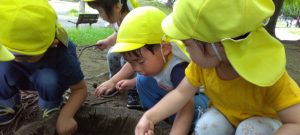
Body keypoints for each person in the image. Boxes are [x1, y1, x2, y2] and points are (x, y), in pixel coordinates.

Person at [135, 0, 300, 135]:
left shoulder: (267, 73)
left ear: (217, 45)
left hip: (264, 123)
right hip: (226, 117)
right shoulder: (203, 66)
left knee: (249, 131)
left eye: (188, 46)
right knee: (207, 127)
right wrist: (150, 117)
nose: (187, 52)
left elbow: (296, 122)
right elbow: (180, 93)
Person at [99, 6, 208, 134]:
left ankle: (185, 126)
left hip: (194, 98)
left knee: (195, 112)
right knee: (142, 81)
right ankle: (160, 117)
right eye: (131, 62)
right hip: (170, 90)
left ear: (165, 49)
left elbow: (186, 105)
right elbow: (136, 63)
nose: (136, 68)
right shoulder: (155, 57)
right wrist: (125, 82)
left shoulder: (178, 68)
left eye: (140, 62)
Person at [0, 0, 87, 135]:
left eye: (26, 56)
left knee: (47, 77)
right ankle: (7, 103)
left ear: (52, 42)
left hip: (46, 81)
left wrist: (66, 116)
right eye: (11, 52)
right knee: (2, 65)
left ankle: (49, 105)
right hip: (17, 77)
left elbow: (80, 89)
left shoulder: (62, 52)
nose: (16, 59)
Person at [85, 0, 141, 108]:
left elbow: (135, 59)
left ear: (117, 6)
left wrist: (113, 81)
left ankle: (135, 91)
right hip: (132, 52)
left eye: (100, 11)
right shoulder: (119, 17)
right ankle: (117, 84)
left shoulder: (133, 21)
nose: (100, 16)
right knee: (113, 54)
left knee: (125, 58)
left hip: (142, 57)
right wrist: (107, 41)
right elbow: (118, 33)